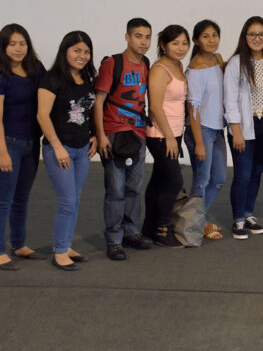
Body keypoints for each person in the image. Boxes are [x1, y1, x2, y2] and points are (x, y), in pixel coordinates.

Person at [94, 18, 153, 261]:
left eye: (148, 36)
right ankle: (114, 240)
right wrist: (100, 136)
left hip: (138, 135)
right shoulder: (113, 63)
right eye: (138, 36)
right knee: (116, 190)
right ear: (127, 37)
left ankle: (131, 232)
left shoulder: (146, 64)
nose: (144, 41)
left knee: (133, 188)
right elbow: (98, 102)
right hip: (114, 134)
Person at [38, 31, 97, 271]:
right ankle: (60, 252)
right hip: (59, 150)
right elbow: (42, 115)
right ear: (65, 51)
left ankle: (66, 244)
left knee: (75, 200)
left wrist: (93, 134)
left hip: (82, 149)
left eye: (86, 51)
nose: (82, 56)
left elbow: (89, 112)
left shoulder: (87, 79)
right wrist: (57, 146)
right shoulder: (51, 79)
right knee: (67, 202)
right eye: (76, 51)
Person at [224, 16, 263, 240]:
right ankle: (237, 220)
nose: (257, 38)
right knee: (243, 175)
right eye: (252, 34)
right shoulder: (236, 62)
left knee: (256, 173)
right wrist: (236, 130)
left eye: (261, 34)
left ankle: (249, 214)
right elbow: (230, 99)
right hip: (244, 125)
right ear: (245, 37)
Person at [0, 24, 45, 270]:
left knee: (22, 198)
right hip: (9, 143)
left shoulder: (35, 70)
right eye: (12, 44)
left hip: (31, 143)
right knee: (3, 200)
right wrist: (2, 151)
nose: (18, 49)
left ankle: (19, 244)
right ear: (3, 47)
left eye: (22, 43)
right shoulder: (2, 75)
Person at [142, 25, 189, 248]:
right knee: (174, 181)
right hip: (160, 134)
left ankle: (148, 228)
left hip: (175, 133)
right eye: (175, 43)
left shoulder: (178, 65)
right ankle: (162, 229)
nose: (181, 48)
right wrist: (169, 137)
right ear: (163, 45)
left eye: (184, 43)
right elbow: (156, 107)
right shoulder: (160, 69)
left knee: (159, 180)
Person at [184, 20, 227, 240]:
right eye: (206, 36)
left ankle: (198, 221)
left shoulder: (218, 60)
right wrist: (199, 142)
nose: (211, 40)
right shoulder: (195, 70)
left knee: (218, 178)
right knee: (202, 180)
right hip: (201, 130)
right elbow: (194, 109)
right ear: (196, 40)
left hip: (217, 129)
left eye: (215, 35)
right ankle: (192, 226)